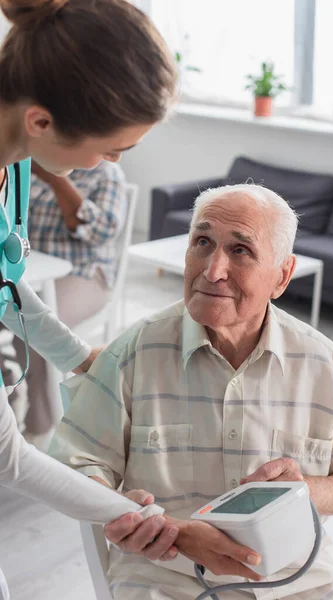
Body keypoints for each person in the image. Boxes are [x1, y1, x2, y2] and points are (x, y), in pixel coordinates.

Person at [0, 1, 249, 598]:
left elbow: (6, 287)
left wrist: (83, 358)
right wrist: (161, 527)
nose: (109, 164)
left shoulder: (16, 169)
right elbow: (9, 458)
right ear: (41, 122)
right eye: (112, 150)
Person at [50, 183, 333, 600]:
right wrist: (133, 517)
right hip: (165, 579)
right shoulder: (134, 353)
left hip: (302, 579)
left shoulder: (329, 368)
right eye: (202, 242)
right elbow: (75, 465)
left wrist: (305, 489)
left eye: (241, 250)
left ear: (282, 275)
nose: (212, 270)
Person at [5, 160, 126, 441]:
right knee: (11, 315)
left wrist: (55, 178)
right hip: (32, 271)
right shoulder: (25, 168)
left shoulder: (107, 174)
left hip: (85, 274)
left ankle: (40, 427)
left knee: (31, 333)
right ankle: (8, 406)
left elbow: (101, 232)